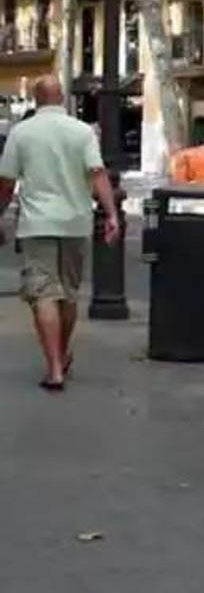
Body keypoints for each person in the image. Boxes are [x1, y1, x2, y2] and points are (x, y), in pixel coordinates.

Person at [0, 76, 120, 391]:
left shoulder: (21, 133)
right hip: (75, 222)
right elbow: (97, 173)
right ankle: (62, 355)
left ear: (37, 99)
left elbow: (7, 183)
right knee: (67, 294)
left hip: (37, 223)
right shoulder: (81, 131)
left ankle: (54, 368)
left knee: (42, 294)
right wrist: (111, 213)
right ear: (62, 97)